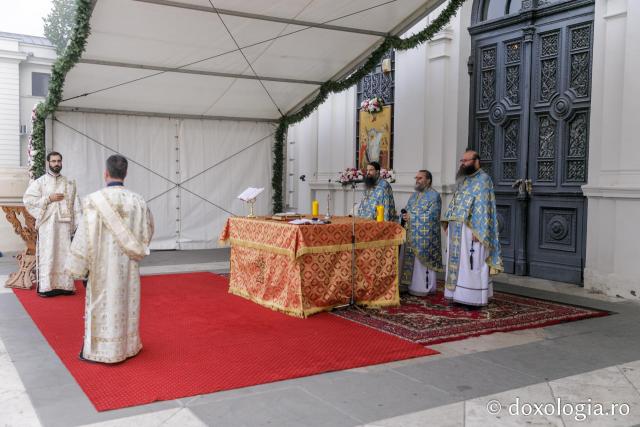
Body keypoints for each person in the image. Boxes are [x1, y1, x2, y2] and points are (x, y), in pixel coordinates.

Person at [65, 155, 154, 364]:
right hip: (128, 266)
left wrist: (77, 266)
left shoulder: (94, 201)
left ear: (105, 173)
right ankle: (128, 346)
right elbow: (147, 231)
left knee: (101, 304)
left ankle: (103, 350)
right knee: (126, 302)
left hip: (101, 265)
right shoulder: (138, 201)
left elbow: (83, 236)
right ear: (126, 174)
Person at [442, 149, 502, 306]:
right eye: (462, 161)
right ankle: (456, 294)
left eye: (466, 161)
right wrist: (448, 221)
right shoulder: (463, 180)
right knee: (458, 264)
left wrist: (480, 231)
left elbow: (484, 207)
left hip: (472, 230)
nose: (463, 164)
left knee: (471, 262)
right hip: (457, 228)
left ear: (476, 161)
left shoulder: (484, 180)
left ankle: (472, 298)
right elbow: (455, 201)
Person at [23, 151, 81, 297]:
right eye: (54, 161)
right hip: (47, 225)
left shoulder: (69, 183)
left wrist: (78, 225)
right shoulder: (40, 182)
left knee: (65, 254)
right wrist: (48, 198)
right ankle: (47, 286)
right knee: (48, 253)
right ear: (48, 163)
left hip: (64, 226)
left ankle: (65, 285)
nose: (56, 164)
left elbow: (76, 205)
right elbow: (28, 200)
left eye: (59, 161)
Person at [400, 170, 443, 296]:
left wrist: (412, 217)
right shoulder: (414, 195)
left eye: (420, 178)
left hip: (425, 236)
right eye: (416, 178)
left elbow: (432, 216)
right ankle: (408, 285)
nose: (417, 180)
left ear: (428, 180)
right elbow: (407, 210)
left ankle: (423, 287)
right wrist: (404, 216)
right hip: (411, 233)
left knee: (421, 264)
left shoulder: (434, 196)